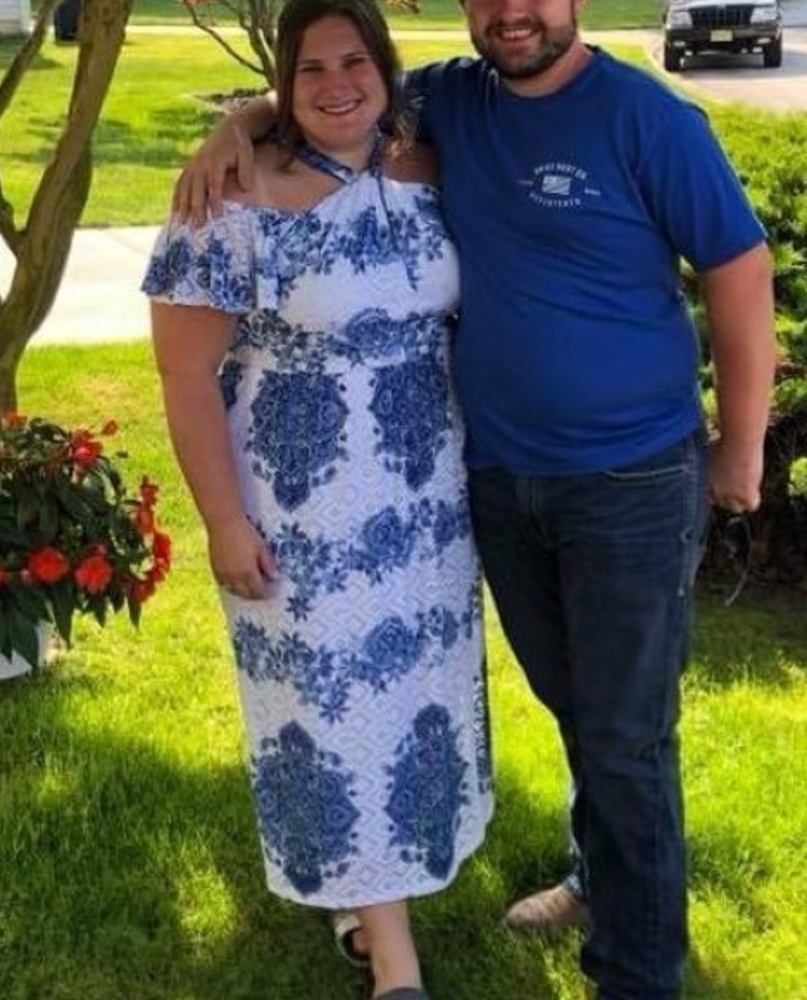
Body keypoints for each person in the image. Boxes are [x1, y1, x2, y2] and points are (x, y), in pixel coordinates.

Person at [171, 0, 777, 996]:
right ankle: (601, 879)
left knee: (625, 732)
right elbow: (333, 87)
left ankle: (636, 973)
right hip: (495, 477)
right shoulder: (454, 101)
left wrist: (740, 445)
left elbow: (739, 269)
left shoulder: (647, 119)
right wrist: (233, 126)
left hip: (627, 479)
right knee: (577, 706)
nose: (511, 12)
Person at [142, 0, 494, 996]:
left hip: (428, 501)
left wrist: (243, 114)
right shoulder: (233, 194)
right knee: (335, 706)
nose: (336, 85)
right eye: (309, 70)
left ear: (385, 68)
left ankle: (367, 898)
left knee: (416, 698)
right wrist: (223, 522)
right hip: (304, 506)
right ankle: (394, 962)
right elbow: (182, 376)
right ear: (281, 84)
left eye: (354, 63)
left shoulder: (426, 164)